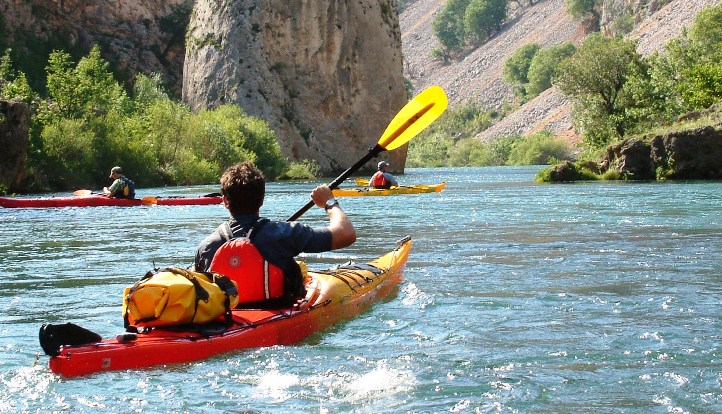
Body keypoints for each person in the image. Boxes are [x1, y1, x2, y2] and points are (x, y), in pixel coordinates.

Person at [194, 162, 356, 307]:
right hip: (278, 317)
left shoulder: (206, 246)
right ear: (262, 199)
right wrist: (329, 202)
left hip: (225, 325)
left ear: (225, 201)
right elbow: (346, 234)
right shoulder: (283, 234)